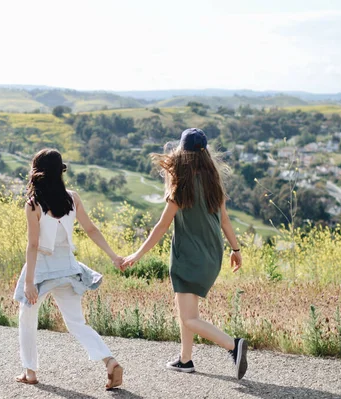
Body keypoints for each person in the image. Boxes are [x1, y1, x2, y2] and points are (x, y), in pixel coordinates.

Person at [122, 128, 248, 380]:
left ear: (182, 153)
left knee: (188, 318)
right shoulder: (214, 184)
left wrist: (137, 254)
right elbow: (225, 220)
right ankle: (185, 359)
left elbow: (161, 227)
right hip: (212, 255)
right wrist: (236, 250)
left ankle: (233, 346)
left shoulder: (181, 188)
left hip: (187, 257)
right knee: (188, 312)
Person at [13, 148, 124, 390]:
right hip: (69, 268)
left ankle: (30, 372)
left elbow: (33, 245)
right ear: (60, 171)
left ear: (37, 172)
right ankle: (109, 360)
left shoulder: (33, 205)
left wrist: (29, 282)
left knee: (27, 317)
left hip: (43, 270)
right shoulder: (72, 198)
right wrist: (114, 256)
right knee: (76, 322)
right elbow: (91, 229)